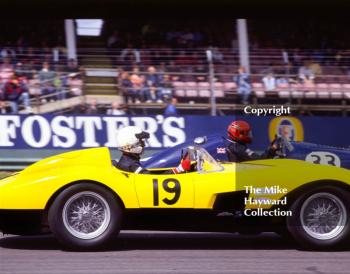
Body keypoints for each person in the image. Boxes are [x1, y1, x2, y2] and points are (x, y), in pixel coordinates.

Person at [114, 126, 191, 174]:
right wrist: (178, 170)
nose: (143, 145)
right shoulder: (132, 166)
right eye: (141, 142)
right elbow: (151, 179)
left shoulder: (128, 161)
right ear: (131, 144)